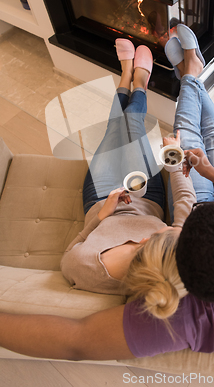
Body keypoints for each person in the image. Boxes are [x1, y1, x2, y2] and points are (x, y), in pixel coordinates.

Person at [0, 28, 214, 362]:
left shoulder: (194, 317)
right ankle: (191, 74)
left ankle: (188, 72)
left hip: (132, 205)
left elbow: (78, 341)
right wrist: (212, 174)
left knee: (189, 136)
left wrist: (189, 189)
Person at [60, 38, 195, 319]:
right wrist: (173, 156)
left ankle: (128, 76)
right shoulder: (177, 252)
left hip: (100, 198)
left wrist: (102, 216)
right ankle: (138, 83)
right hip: (147, 196)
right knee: (131, 121)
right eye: (164, 229)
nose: (146, 232)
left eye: (152, 237)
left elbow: (71, 249)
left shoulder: (88, 269)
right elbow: (184, 200)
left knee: (114, 128)